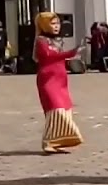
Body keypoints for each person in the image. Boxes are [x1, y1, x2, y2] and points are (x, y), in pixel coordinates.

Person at [33, 12, 85, 154]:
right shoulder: (41, 41)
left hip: (60, 79)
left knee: (65, 108)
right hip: (48, 79)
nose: (56, 26)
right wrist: (71, 53)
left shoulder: (57, 40)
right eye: (53, 23)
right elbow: (49, 56)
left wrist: (73, 55)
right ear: (44, 25)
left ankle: (58, 141)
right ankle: (48, 142)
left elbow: (59, 58)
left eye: (57, 23)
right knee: (55, 109)